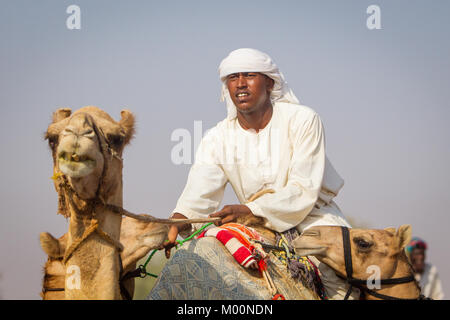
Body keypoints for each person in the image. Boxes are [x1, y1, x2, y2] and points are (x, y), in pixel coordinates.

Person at [161, 48, 356, 299]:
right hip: (253, 224)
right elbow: (199, 191)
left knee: (341, 275)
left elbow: (303, 189)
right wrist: (177, 220)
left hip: (312, 217)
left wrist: (250, 209)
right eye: (233, 78)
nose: (240, 84)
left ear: (270, 83)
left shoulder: (303, 120)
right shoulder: (217, 138)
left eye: (249, 75)